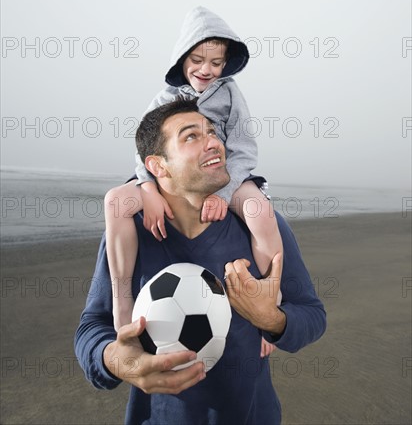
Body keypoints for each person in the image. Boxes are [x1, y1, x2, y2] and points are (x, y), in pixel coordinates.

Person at [75, 98, 327, 425]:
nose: (214, 143)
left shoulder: (263, 227)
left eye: (213, 133)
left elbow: (312, 314)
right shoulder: (128, 236)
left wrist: (273, 319)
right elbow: (92, 326)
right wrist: (114, 360)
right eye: (191, 136)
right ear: (157, 166)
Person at [105, 7, 283, 359]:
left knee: (259, 210)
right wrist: (148, 190)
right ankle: (122, 308)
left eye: (216, 62)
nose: (206, 69)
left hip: (228, 175)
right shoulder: (163, 99)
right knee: (115, 202)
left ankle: (270, 304)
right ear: (182, 57)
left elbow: (244, 147)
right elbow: (144, 151)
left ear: (227, 63)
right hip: (167, 180)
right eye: (198, 60)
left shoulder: (230, 94)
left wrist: (226, 191)